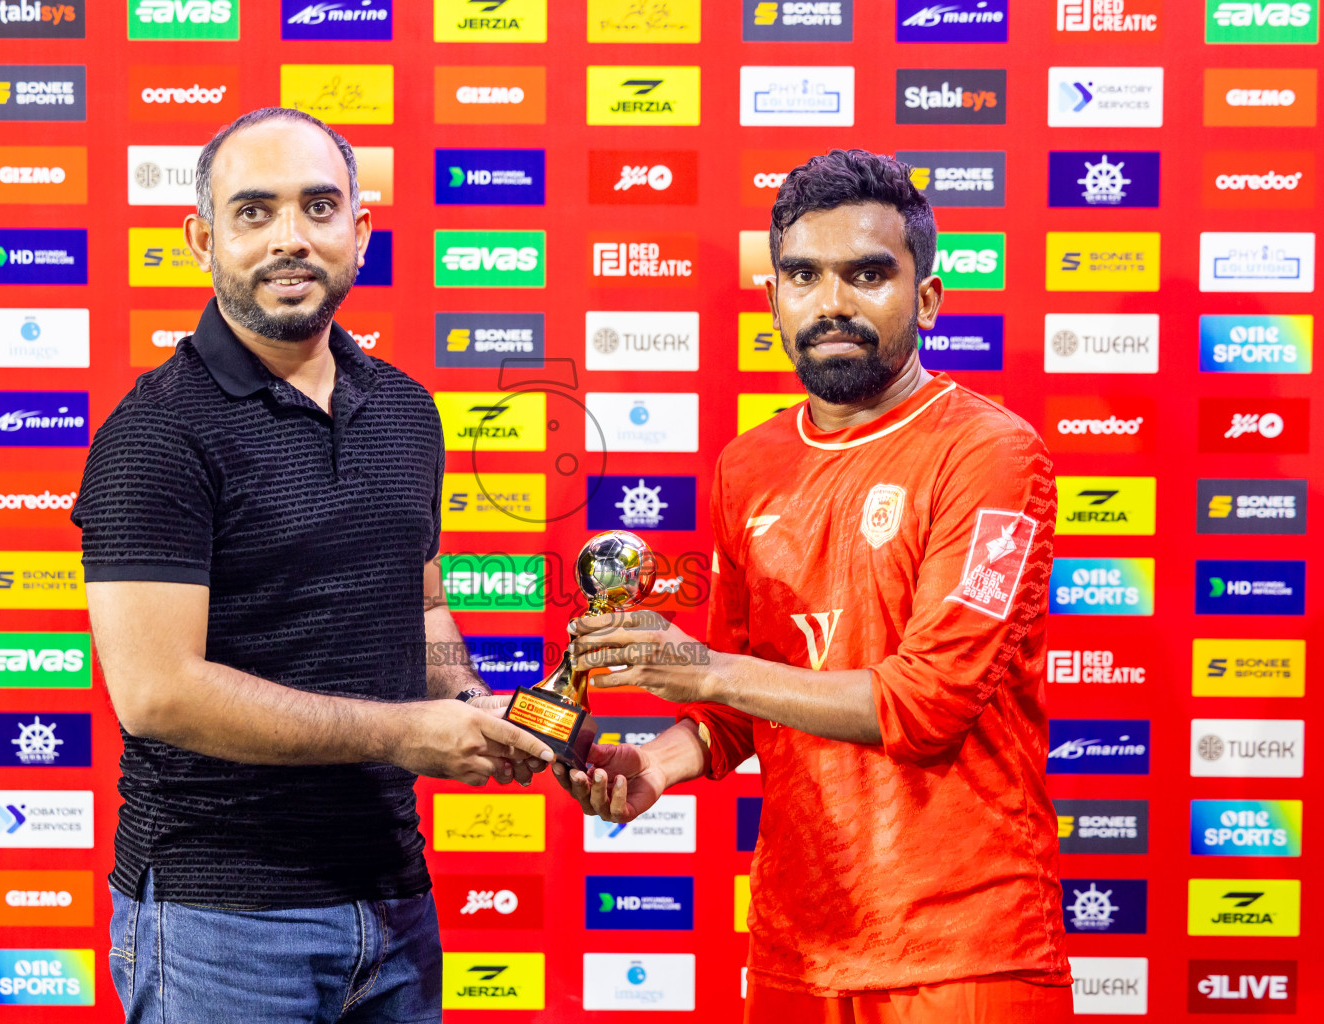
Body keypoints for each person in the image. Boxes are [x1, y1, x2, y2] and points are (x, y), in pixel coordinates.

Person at [554, 150, 1071, 1024]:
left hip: (963, 952)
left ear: (929, 298)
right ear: (774, 299)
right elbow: (747, 694)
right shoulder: (747, 466)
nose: (831, 302)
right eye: (804, 275)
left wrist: (704, 668)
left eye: (868, 274)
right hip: (797, 948)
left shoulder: (992, 454)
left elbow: (927, 703)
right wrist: (658, 763)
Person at [72, 106, 552, 1024]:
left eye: (319, 207)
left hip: (394, 904)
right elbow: (156, 693)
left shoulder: (407, 409)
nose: (290, 238)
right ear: (202, 238)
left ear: (358, 232)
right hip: (220, 921)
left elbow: (418, 611)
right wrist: (401, 735)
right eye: (254, 211)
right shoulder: (156, 434)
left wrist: (474, 714)